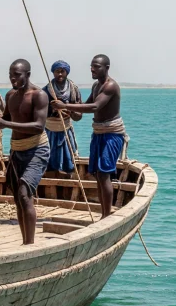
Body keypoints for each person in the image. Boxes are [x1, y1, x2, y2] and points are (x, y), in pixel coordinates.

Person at [52, 54, 126, 217]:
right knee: (98, 174)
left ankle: (106, 215)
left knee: (104, 172)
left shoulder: (110, 86)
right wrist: (69, 110)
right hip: (98, 133)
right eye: (91, 66)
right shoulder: (95, 86)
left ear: (106, 68)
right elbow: (84, 106)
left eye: (96, 66)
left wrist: (65, 105)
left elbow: (94, 106)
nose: (92, 69)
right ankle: (103, 212)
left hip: (112, 134)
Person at [0, 59, 49, 245]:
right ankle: (25, 241)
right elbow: (7, 117)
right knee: (17, 197)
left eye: (17, 75)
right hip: (17, 150)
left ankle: (30, 244)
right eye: (10, 75)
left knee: (24, 193)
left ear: (28, 74)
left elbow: (39, 126)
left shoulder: (39, 95)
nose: (13, 78)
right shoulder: (11, 96)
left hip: (37, 149)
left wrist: (6, 124)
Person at [43, 60, 83, 174]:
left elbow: (79, 115)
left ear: (67, 72)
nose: (60, 74)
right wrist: (52, 109)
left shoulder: (74, 90)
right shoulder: (46, 91)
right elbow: (39, 113)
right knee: (48, 160)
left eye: (62, 71)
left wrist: (69, 111)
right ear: (53, 72)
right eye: (57, 71)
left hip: (66, 130)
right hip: (50, 131)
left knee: (69, 162)